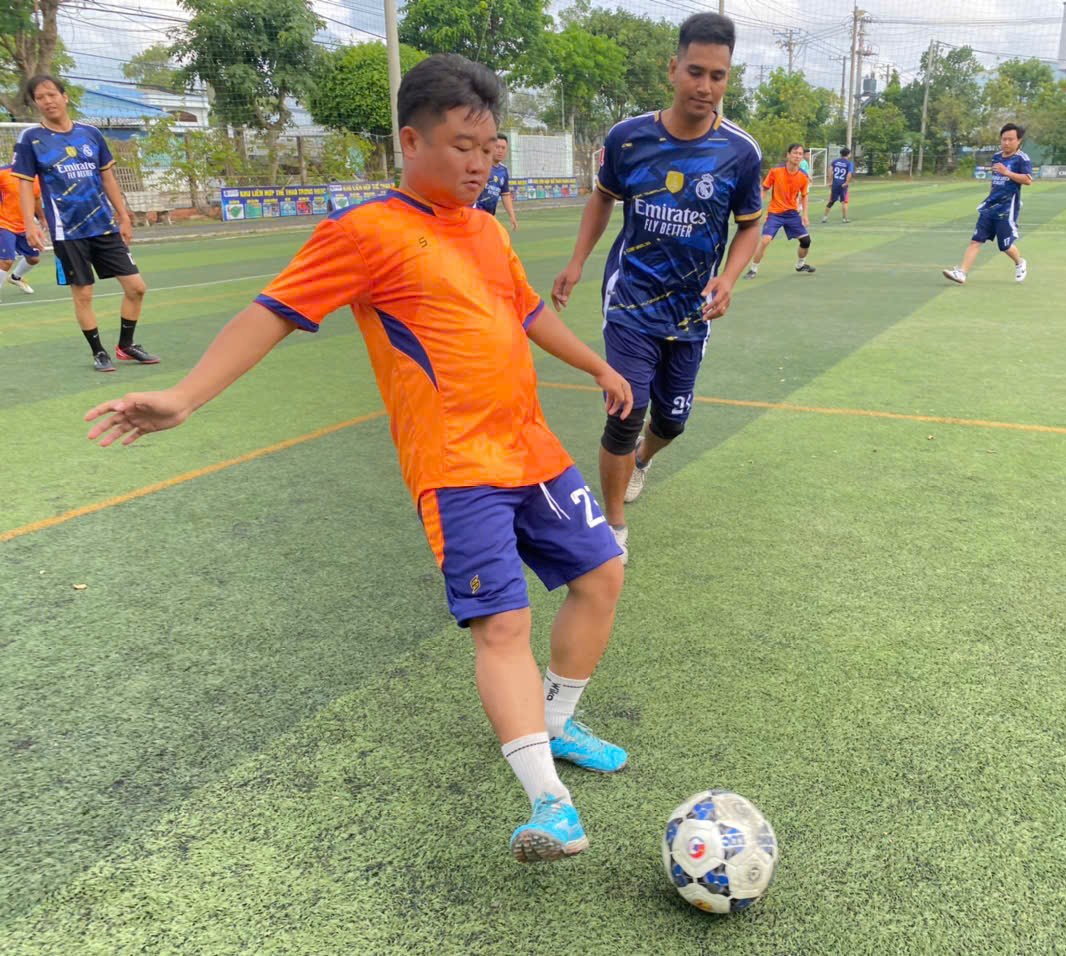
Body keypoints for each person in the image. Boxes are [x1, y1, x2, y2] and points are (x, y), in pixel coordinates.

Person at [84, 53, 636, 864]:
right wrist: (186, 396)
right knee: (503, 623)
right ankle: (548, 803)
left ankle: (554, 722)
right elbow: (271, 312)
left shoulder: (487, 227)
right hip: (456, 468)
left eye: (489, 149)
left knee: (602, 574)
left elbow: (523, 312)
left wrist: (594, 364)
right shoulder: (364, 232)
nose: (480, 165)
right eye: (461, 147)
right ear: (411, 141)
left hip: (532, 448)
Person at [550, 13, 762, 567]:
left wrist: (728, 278)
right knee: (626, 411)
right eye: (695, 71)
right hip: (631, 300)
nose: (705, 86)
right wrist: (577, 262)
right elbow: (603, 197)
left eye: (718, 76)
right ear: (673, 69)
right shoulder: (628, 138)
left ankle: (644, 458)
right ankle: (613, 525)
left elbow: (750, 225)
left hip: (692, 311)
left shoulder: (740, 152)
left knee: (671, 422)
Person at [13, 74, 157, 372]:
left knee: (136, 287)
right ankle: (98, 352)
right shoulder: (31, 139)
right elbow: (25, 185)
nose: (47, 101)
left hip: (104, 226)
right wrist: (30, 223)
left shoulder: (90, 133)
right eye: (40, 97)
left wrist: (123, 215)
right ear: (36, 104)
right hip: (67, 231)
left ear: (64, 97)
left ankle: (126, 345)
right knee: (83, 294)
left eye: (52, 94)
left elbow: (107, 177)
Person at [942, 123, 1031, 285]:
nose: (1006, 142)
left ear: (1019, 141)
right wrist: (990, 196)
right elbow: (995, 181)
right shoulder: (996, 157)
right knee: (976, 240)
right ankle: (961, 273)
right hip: (990, 207)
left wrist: (1007, 172)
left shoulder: (1022, 158)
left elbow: (1027, 180)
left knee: (1005, 246)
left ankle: (1020, 263)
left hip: (1007, 208)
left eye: (1010, 139)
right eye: (1004, 139)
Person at [744, 143, 814, 278]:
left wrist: (805, 215)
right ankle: (753, 269)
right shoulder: (776, 171)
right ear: (788, 155)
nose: (797, 156)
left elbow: (804, 196)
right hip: (775, 214)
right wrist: (757, 206)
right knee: (765, 240)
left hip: (792, 214)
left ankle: (800, 265)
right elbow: (764, 189)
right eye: (795, 153)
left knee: (806, 241)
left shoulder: (803, 176)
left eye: (800, 154)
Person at [0, 162, 45, 296]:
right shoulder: (3, 173)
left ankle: (16, 277)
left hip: (25, 226)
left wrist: (42, 218)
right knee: (7, 260)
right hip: (4, 223)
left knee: (33, 259)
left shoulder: (35, 176)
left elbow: (36, 198)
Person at [474, 132, 518, 230]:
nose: (500, 150)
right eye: (497, 147)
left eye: (503, 148)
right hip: (473, 214)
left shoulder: (503, 170)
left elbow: (505, 194)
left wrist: (512, 216)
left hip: (489, 217)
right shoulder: (479, 165)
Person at [822, 147, 853, 223]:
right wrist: (846, 183)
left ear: (841, 154)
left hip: (835, 184)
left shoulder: (835, 161)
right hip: (843, 185)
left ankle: (825, 218)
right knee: (844, 202)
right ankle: (844, 219)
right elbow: (849, 174)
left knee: (831, 201)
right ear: (848, 154)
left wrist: (830, 181)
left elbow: (830, 171)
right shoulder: (849, 163)